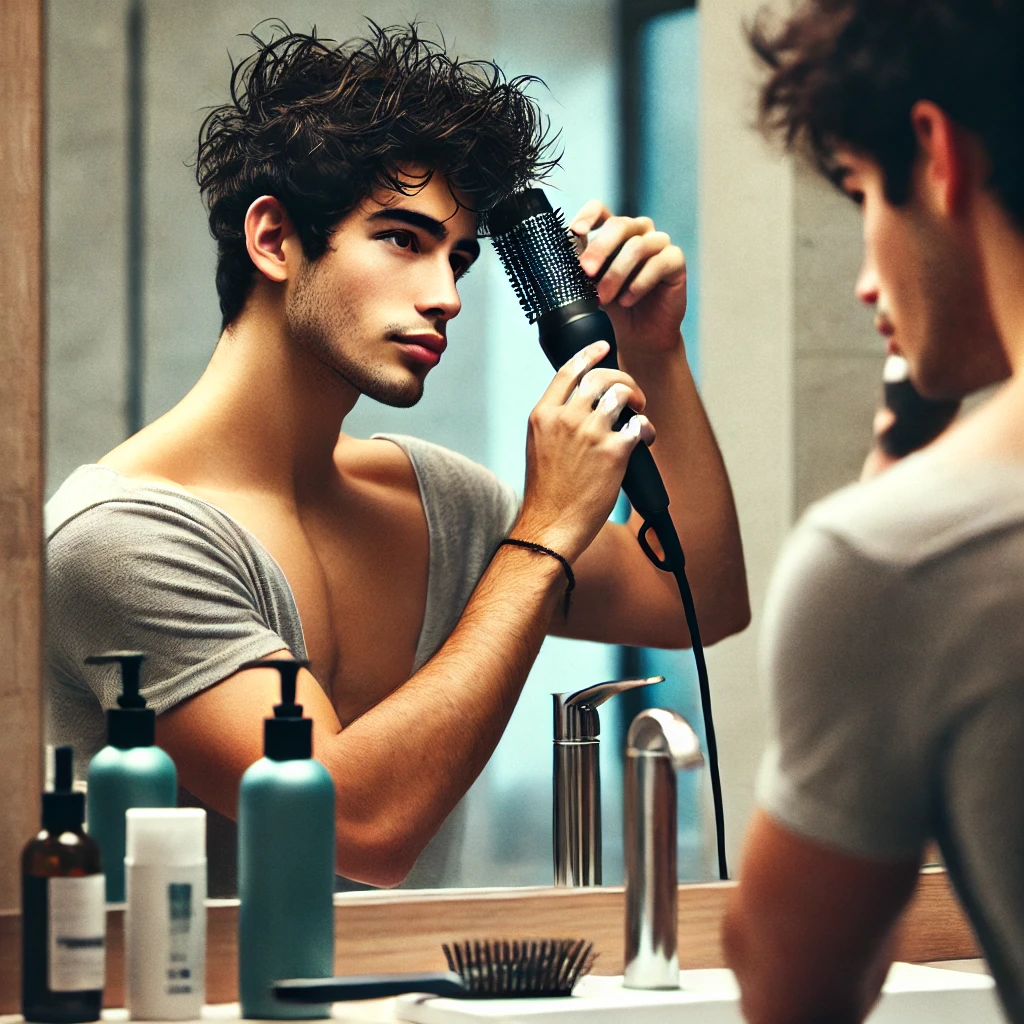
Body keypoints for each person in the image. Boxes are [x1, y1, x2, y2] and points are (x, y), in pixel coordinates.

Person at [45, 23, 749, 896]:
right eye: (402, 240)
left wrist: (655, 348)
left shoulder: (436, 501)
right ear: (273, 240)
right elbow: (354, 827)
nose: (446, 296)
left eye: (458, 257)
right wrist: (542, 535)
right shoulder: (120, 540)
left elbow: (698, 600)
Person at [723, 1, 1024, 1020]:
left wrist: (901, 470)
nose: (862, 280)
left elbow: (784, 984)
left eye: (858, 191)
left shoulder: (903, 560)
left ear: (936, 154)